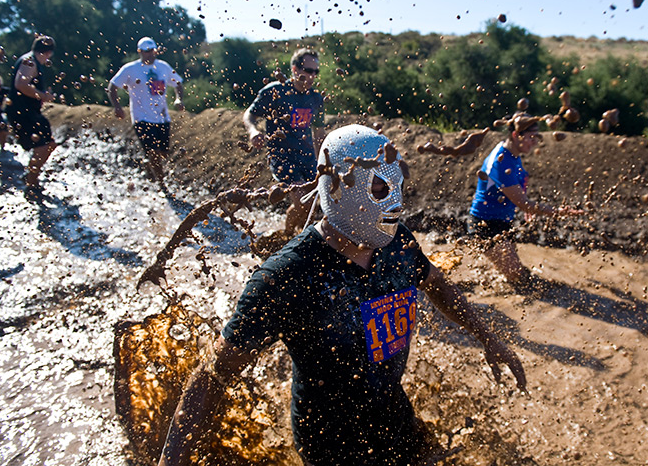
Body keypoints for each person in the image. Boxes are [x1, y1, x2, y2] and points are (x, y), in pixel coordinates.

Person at [158, 125, 526, 466]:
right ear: (339, 188)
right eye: (380, 189)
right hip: (331, 446)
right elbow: (213, 375)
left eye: (398, 187)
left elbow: (436, 283)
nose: (395, 202)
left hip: (394, 416)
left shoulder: (398, 242)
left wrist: (487, 336)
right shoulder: (287, 276)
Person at [468, 112, 583, 287]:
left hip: (503, 222)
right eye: (531, 137)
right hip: (485, 225)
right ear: (516, 135)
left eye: (536, 137)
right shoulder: (501, 161)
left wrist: (526, 205)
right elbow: (523, 203)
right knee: (520, 279)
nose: (535, 142)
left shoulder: (513, 154)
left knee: (516, 275)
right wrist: (556, 212)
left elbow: (518, 182)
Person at [243, 47, 326, 236]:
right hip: (282, 156)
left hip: (308, 157)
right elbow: (249, 114)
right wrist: (253, 131)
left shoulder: (315, 98)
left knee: (311, 207)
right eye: (308, 70)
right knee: (302, 201)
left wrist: (324, 162)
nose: (312, 76)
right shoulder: (275, 91)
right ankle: (290, 236)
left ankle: (289, 234)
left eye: (316, 72)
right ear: (295, 70)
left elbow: (319, 133)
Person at [107, 37, 184, 190]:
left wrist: (178, 99)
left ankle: (149, 169)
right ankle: (162, 184)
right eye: (146, 51)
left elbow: (178, 83)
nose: (150, 54)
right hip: (141, 117)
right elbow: (112, 86)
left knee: (163, 153)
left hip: (162, 118)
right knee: (153, 151)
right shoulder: (131, 69)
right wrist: (117, 107)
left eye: (152, 51)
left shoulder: (163, 67)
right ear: (140, 52)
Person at [6, 35, 58, 198]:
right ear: (48, 53)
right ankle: (31, 183)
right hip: (23, 112)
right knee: (43, 146)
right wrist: (42, 95)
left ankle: (31, 178)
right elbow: (20, 84)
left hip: (29, 112)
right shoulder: (29, 61)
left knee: (49, 144)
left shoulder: (31, 60)